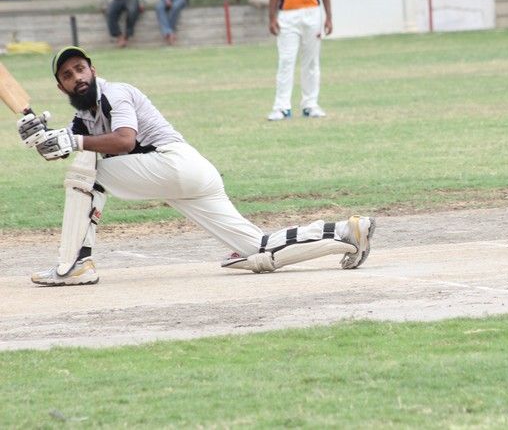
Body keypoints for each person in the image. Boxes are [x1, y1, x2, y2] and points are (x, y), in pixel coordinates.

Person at [16, 46, 376, 286]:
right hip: (188, 176)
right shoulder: (83, 118)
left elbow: (123, 140)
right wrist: (39, 137)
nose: (77, 77)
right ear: (61, 87)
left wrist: (70, 141)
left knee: (88, 172)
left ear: (93, 70)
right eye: (68, 75)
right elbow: (61, 149)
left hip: (174, 163)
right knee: (258, 250)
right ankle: (347, 232)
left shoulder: (116, 92)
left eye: (80, 68)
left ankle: (76, 264)